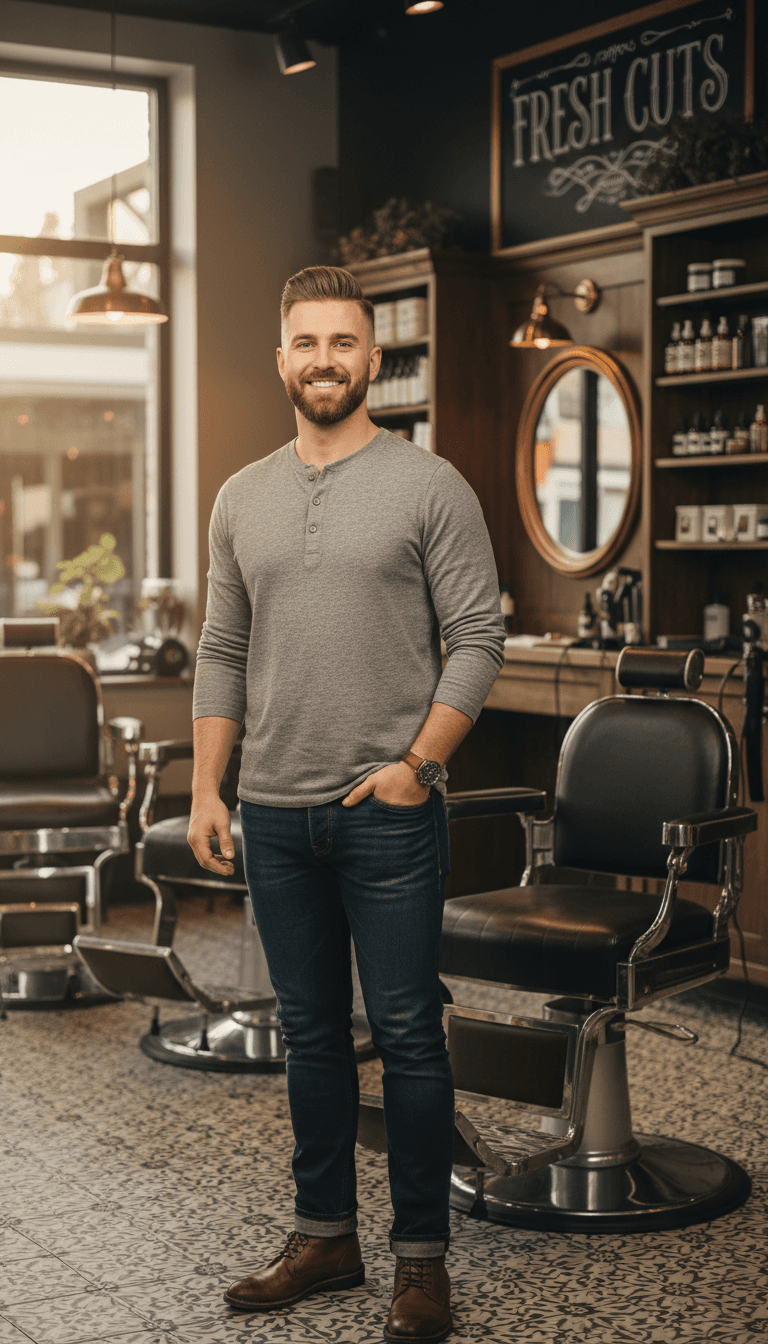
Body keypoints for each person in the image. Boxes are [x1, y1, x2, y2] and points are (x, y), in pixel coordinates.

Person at [189, 265, 505, 1343]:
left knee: (412, 1034)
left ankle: (422, 1262)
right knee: (311, 1037)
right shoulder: (241, 496)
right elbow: (223, 649)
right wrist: (205, 786)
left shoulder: (431, 486)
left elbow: (479, 639)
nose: (324, 359)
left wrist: (420, 762)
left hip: (389, 809)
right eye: (305, 342)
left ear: (373, 360)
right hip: (273, 810)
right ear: (281, 358)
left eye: (343, 343)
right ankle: (325, 1236)